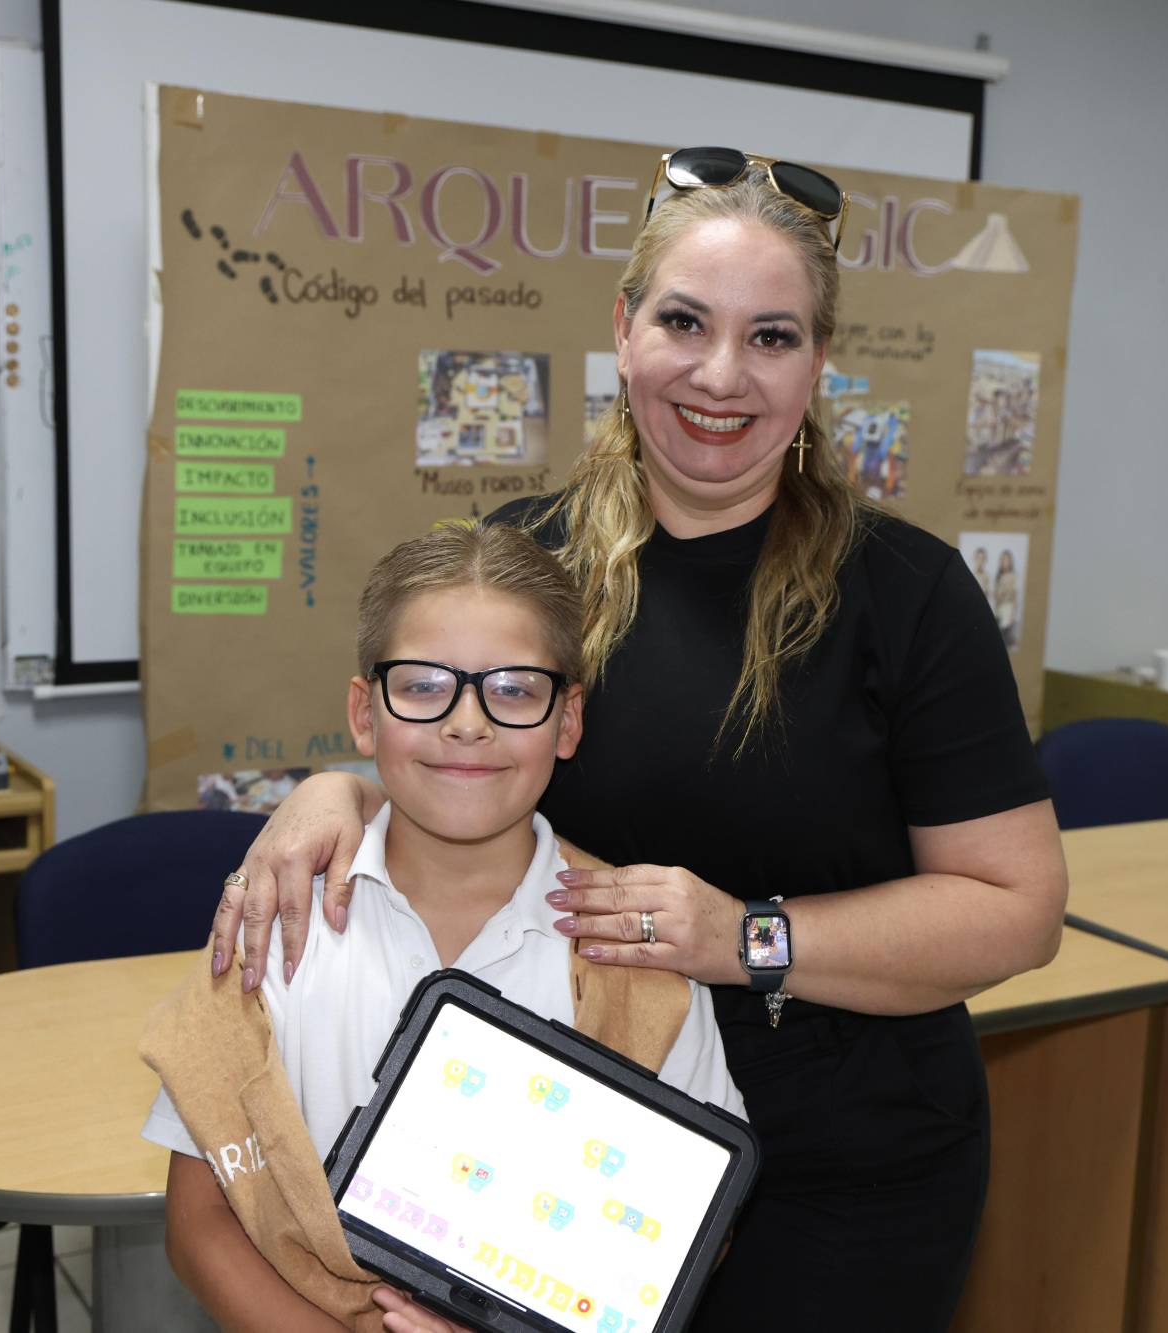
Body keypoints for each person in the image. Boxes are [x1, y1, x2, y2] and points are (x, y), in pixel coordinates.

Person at [211, 148, 1068, 1329]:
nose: (723, 375)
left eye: (771, 336)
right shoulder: (528, 554)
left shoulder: (907, 594)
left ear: (818, 362)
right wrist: (338, 791)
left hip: (844, 1175)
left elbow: (1015, 906)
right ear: (623, 330)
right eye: (684, 322)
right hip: (567, 1158)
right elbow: (464, 757)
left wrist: (744, 936)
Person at [145, 523, 744, 1332]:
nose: (467, 721)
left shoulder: (636, 952)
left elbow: (695, 1230)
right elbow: (200, 1224)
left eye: (515, 688)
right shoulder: (275, 917)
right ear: (365, 712)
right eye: (424, 684)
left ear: (567, 721)